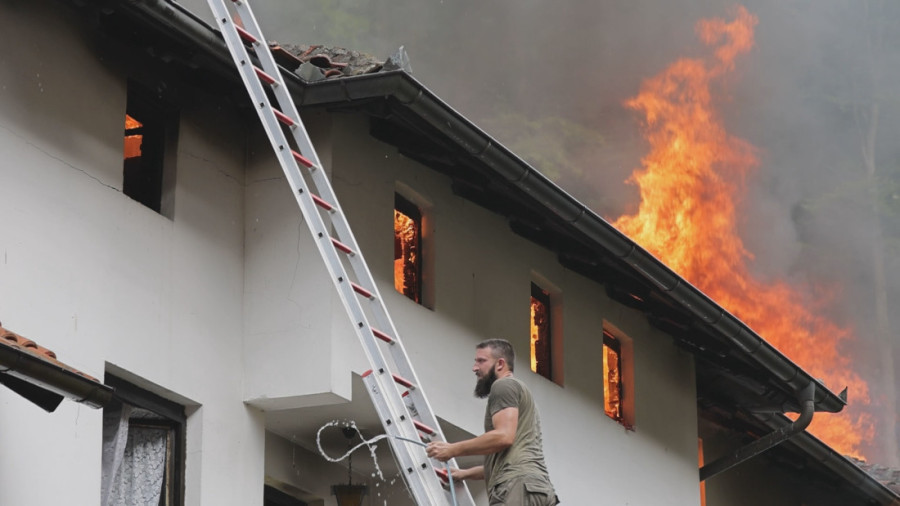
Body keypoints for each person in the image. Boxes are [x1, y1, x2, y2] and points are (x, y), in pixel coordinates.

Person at [426, 338, 559, 505]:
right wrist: (464, 474)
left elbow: (503, 437)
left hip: (517, 485)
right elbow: (505, 459)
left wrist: (452, 449)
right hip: (535, 489)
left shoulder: (503, 386)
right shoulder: (520, 394)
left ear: (500, 364)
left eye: (481, 361)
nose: (475, 368)